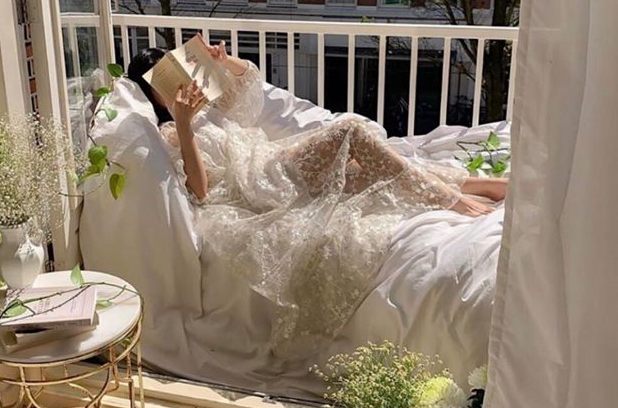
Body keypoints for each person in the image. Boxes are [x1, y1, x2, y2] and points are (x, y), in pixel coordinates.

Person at [127, 38, 507, 357]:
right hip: (259, 184)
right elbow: (201, 188)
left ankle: (473, 184)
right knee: (349, 134)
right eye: (162, 78)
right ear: (151, 91)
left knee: (360, 172)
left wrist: (226, 62)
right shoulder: (171, 133)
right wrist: (183, 123)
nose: (177, 83)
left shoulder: (204, 106)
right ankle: (449, 199)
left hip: (270, 161)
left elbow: (249, 92)